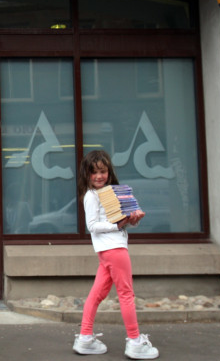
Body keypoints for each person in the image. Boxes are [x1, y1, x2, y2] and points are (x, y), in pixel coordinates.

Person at [72, 150, 159, 360]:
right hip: (114, 251)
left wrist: (134, 218)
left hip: (108, 251)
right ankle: (135, 341)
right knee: (126, 295)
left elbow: (122, 222)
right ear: (87, 174)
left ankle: (84, 338)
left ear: (109, 172)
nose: (99, 176)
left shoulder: (112, 193)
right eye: (94, 172)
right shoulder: (91, 196)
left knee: (96, 295)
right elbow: (92, 226)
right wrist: (118, 224)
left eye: (103, 171)